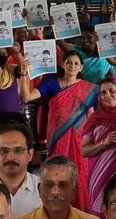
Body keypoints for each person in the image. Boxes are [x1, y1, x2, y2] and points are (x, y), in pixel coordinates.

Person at [18, 50, 96, 209]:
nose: (72, 66)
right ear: (62, 64)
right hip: (57, 138)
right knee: (57, 172)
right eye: (69, 62)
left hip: (80, 140)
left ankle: (81, 210)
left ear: (81, 68)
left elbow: (91, 116)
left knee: (80, 175)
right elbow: (26, 96)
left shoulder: (87, 88)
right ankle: (57, 208)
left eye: (76, 63)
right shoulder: (51, 83)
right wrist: (23, 73)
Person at [79, 76, 116, 217]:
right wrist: (103, 144)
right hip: (100, 175)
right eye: (103, 93)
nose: (108, 95)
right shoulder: (95, 118)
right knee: (101, 217)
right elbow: (84, 150)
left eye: (112, 91)